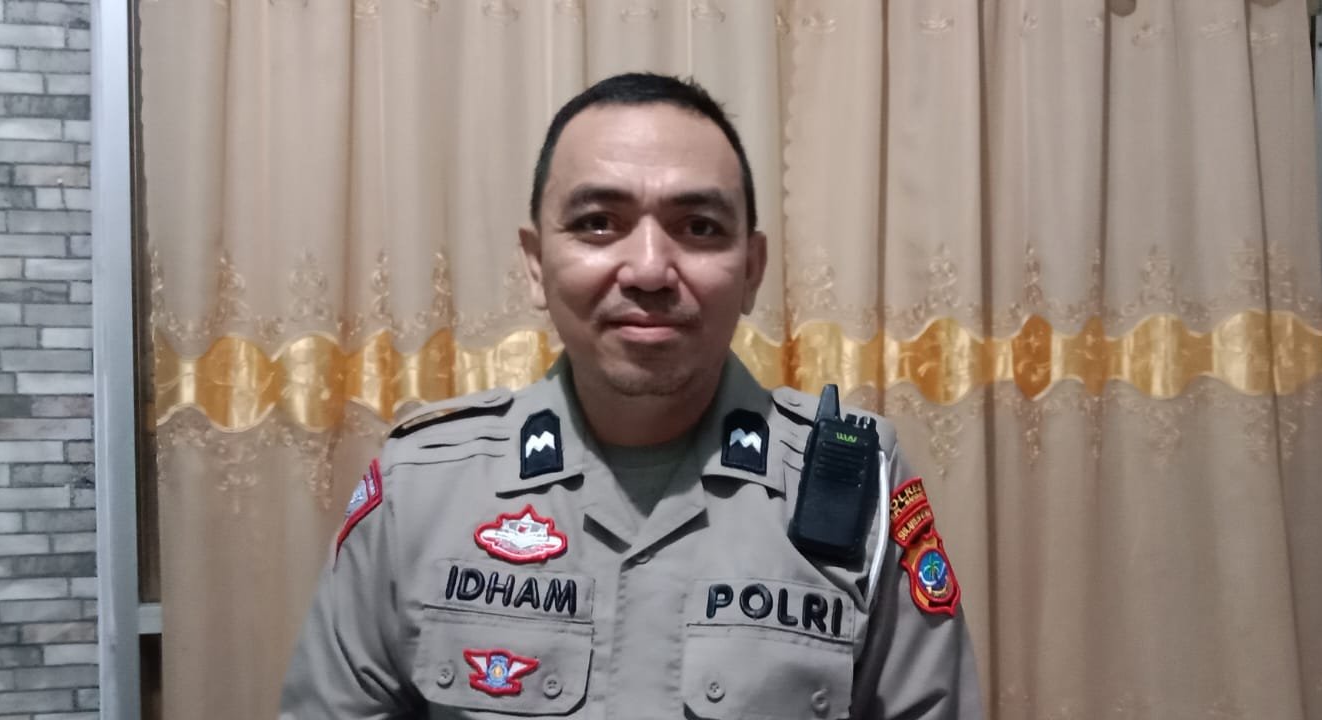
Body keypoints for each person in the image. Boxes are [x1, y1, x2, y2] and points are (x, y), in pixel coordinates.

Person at [280, 72, 983, 719]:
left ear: (751, 270)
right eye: (598, 223)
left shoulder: (854, 480)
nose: (649, 270)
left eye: (699, 228)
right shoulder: (422, 486)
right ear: (536, 263)